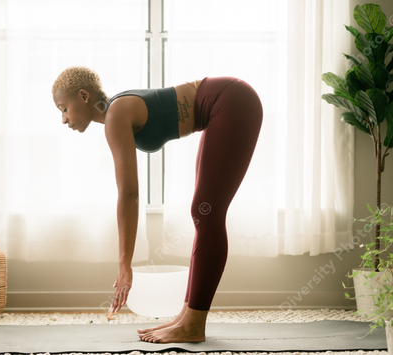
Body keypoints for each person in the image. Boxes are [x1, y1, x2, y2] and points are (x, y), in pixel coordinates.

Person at [52, 67, 263, 343]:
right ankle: (187, 316)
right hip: (224, 103)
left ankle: (193, 323)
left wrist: (124, 264)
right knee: (203, 211)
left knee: (207, 211)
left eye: (64, 108)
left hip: (233, 101)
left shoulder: (116, 113)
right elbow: (129, 192)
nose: (64, 119)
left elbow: (129, 194)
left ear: (83, 95)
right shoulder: (116, 111)